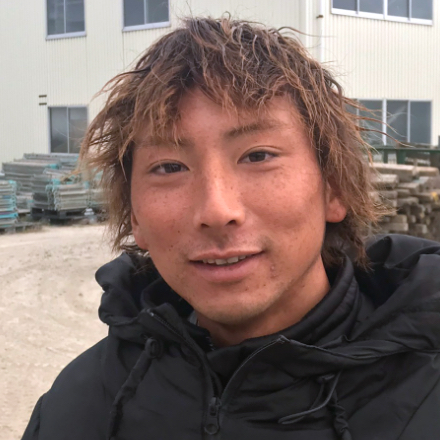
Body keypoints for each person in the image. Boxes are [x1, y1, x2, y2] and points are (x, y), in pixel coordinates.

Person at [22, 17, 440, 440]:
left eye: (258, 156)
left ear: (333, 187)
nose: (217, 210)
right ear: (134, 216)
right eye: (169, 167)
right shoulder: (76, 409)